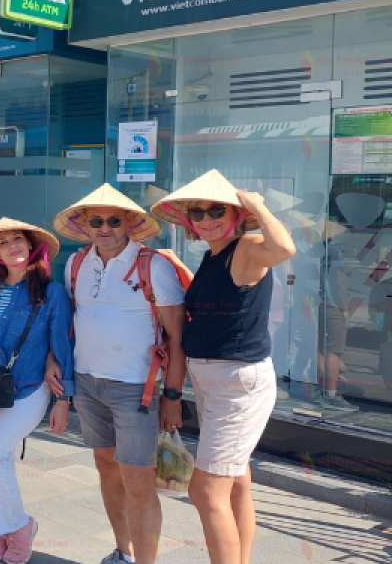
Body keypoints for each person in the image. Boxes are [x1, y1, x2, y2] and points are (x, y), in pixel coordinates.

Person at [151, 170, 294, 564]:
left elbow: (283, 248)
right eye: (197, 212)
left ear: (235, 213)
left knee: (205, 490)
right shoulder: (213, 256)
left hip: (237, 384)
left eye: (216, 209)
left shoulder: (246, 245)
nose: (206, 218)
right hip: (215, 382)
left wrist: (258, 205)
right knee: (235, 484)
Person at [51, 184, 187, 564]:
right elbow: (71, 324)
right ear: (86, 224)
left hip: (136, 390)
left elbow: (178, 336)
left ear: (129, 222)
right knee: (107, 469)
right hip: (88, 385)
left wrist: (173, 396)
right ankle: (122, 553)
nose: (105, 227)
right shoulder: (77, 263)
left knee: (139, 481)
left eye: (114, 220)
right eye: (97, 221)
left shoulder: (153, 265)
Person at [0, 218, 73, 564]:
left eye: (18, 239)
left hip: (27, 388)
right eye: (3, 243)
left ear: (32, 245)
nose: (12, 247)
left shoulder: (51, 292)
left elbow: (62, 346)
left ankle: (21, 527)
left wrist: (64, 398)